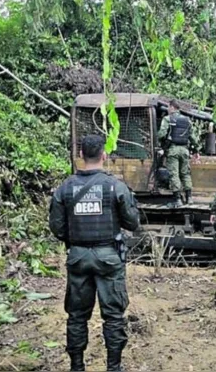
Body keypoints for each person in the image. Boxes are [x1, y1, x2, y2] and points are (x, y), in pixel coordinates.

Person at [49, 134, 145, 372]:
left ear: (80, 155)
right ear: (104, 155)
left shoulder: (65, 188)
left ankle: (77, 367)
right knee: (113, 317)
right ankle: (114, 367)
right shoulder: (116, 186)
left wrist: (78, 242)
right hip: (109, 257)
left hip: (78, 257)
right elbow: (133, 223)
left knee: (77, 316)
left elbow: (57, 228)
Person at [157, 99, 200, 207]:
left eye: (168, 107)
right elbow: (193, 138)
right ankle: (189, 197)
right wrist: (196, 150)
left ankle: (178, 199)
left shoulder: (167, 119)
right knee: (185, 173)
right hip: (185, 150)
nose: (167, 109)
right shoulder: (187, 120)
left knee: (174, 174)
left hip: (173, 150)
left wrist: (161, 141)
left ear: (172, 107)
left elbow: (161, 134)